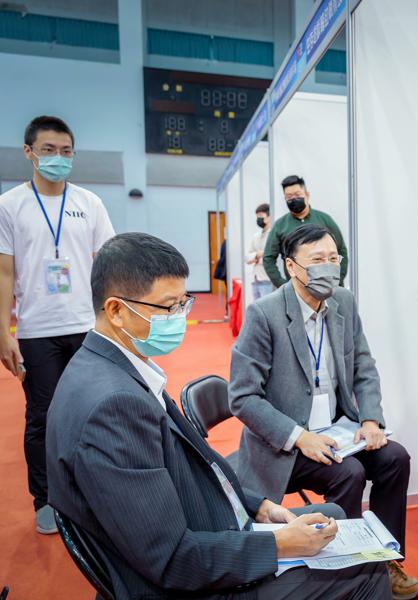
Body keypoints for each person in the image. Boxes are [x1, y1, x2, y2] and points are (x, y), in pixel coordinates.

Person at [46, 232, 390, 600]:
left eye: (184, 303)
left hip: (209, 525)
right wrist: (279, 546)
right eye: (169, 307)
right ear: (116, 310)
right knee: (367, 571)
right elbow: (172, 560)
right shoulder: (114, 406)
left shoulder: (113, 369)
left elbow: (194, 468)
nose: (179, 318)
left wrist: (259, 507)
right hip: (192, 580)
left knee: (336, 517)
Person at [231, 224, 418, 600]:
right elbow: (242, 397)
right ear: (291, 267)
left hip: (339, 431)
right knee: (349, 473)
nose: (329, 268)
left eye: (334, 258)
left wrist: (370, 419)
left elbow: (364, 365)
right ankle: (348, 572)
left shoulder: (343, 302)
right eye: (317, 259)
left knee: (395, 459)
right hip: (286, 443)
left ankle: (386, 560)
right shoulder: (264, 314)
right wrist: (299, 437)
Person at [0, 115, 115, 535]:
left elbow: (107, 266)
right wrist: (3, 332)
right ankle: (46, 498)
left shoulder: (90, 203)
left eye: (66, 151)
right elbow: (4, 274)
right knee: (43, 417)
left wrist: (111, 323)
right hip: (36, 330)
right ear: (29, 152)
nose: (58, 158)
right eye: (49, 150)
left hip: (86, 327)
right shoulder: (10, 205)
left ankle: (92, 490)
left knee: (94, 412)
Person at [263, 175, 348, 288]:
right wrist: (282, 284)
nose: (294, 199)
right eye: (289, 197)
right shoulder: (280, 226)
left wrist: (338, 279)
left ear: (307, 194)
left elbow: (341, 250)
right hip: (297, 290)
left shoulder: (324, 220)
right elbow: (268, 258)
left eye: (297, 195)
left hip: (329, 286)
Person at [247, 203, 274, 300]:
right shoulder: (256, 236)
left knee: (266, 306)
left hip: (267, 278)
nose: (258, 219)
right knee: (256, 306)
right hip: (255, 278)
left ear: (269, 217)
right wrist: (257, 255)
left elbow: (270, 254)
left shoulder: (273, 234)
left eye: (261, 216)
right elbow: (247, 257)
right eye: (257, 216)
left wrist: (257, 256)